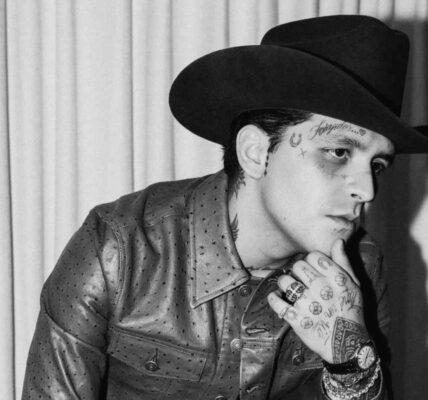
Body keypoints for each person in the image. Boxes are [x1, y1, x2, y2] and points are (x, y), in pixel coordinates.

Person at [22, 15, 428, 400]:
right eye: (339, 152)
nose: (367, 190)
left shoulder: (360, 270)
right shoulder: (120, 251)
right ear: (256, 152)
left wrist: (350, 361)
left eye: (377, 165)